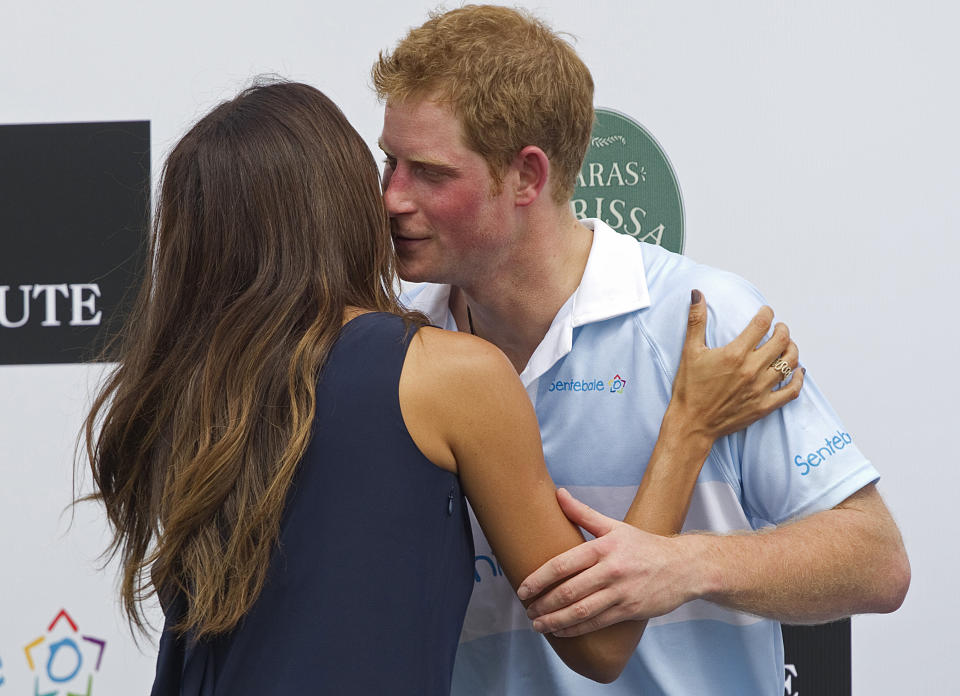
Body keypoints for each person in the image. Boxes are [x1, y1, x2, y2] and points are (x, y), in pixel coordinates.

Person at [83, 81, 801, 694]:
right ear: (338, 203)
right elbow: (601, 640)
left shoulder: (171, 393)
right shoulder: (443, 372)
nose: (393, 198)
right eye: (379, 172)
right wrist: (688, 428)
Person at [373, 5, 910, 694]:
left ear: (527, 177)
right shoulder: (394, 339)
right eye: (390, 161)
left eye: (429, 172)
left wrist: (687, 566)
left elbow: (877, 560)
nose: (391, 197)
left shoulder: (700, 321)